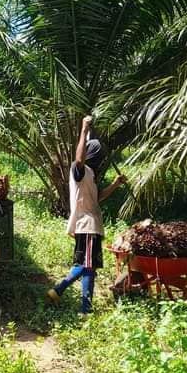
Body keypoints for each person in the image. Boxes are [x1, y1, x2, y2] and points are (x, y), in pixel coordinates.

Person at [46, 116, 127, 314]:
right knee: (86, 265)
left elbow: (98, 197)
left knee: (89, 267)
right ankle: (60, 291)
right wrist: (83, 129)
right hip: (87, 225)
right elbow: (79, 158)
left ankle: (84, 308)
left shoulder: (91, 174)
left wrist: (115, 185)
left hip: (92, 225)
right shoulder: (79, 170)